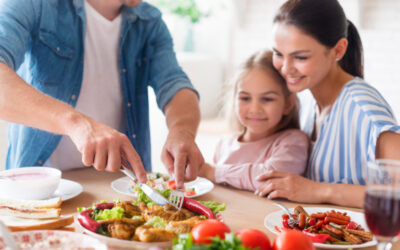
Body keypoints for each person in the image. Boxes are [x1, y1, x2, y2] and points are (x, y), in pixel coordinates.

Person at [0, 0, 204, 188]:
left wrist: (182, 131)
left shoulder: (150, 21)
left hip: (120, 188)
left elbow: (175, 84)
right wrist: (76, 123)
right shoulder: (35, 4)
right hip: (38, 191)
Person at [255, 0, 400, 207]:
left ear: (339, 50)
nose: (286, 68)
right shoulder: (307, 102)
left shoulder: (364, 109)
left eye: (300, 57)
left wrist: (321, 190)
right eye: (279, 54)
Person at [199, 50, 309, 192]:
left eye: (267, 99)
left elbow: (274, 180)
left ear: (288, 104)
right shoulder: (224, 144)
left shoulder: (293, 141)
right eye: (245, 98)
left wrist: (213, 172)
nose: (255, 109)